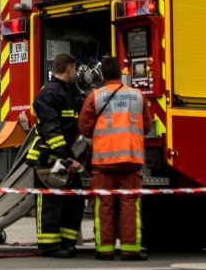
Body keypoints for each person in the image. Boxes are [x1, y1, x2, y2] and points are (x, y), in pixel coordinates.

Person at [78, 56, 152, 261]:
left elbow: (84, 127)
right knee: (130, 207)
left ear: (102, 75)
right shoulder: (138, 96)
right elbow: (146, 127)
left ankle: (104, 250)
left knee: (104, 207)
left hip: (103, 164)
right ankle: (130, 250)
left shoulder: (95, 97)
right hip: (130, 161)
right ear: (121, 73)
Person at [25, 52, 85, 258]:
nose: (76, 73)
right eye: (74, 69)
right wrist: (66, 156)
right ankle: (49, 246)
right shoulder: (48, 94)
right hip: (48, 159)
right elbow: (52, 129)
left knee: (74, 200)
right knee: (50, 203)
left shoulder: (67, 93)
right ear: (68, 68)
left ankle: (68, 243)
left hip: (66, 157)